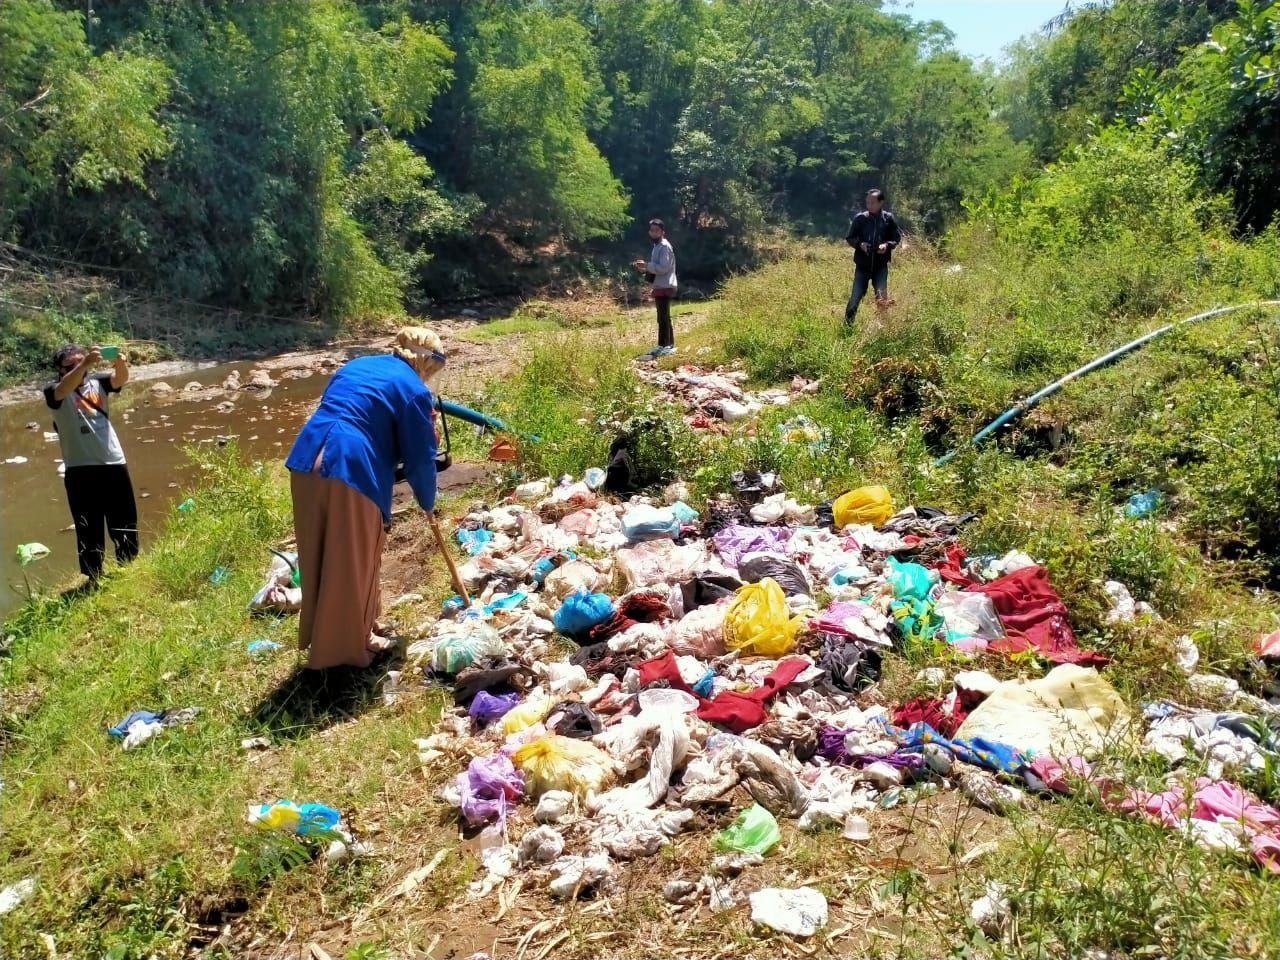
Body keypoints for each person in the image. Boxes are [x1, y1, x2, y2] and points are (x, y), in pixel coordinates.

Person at [285, 327, 445, 670]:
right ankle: (343, 657)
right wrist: (428, 501)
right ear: (424, 361)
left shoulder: (356, 366)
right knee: (351, 560)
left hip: (306, 456)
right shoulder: (414, 389)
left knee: (319, 554)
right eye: (433, 369)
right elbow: (420, 458)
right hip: (350, 464)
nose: (430, 377)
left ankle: (361, 629)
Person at [43, 344, 139, 582]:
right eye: (71, 364)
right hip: (79, 468)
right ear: (59, 369)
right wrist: (85, 363)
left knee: (124, 518)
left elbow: (119, 381)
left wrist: (120, 363)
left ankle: (128, 567)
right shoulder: (54, 391)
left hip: (113, 461)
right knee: (88, 524)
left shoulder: (98, 383)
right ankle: (93, 576)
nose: (79, 367)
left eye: (81, 361)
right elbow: (63, 388)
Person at [844, 188, 901, 325]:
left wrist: (886, 245)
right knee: (855, 297)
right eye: (867, 202)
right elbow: (850, 237)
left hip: (880, 267)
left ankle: (882, 327)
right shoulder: (860, 218)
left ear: (881, 203)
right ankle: (847, 326)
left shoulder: (888, 219)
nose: (869, 205)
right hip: (862, 266)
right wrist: (860, 244)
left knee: (881, 298)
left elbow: (896, 238)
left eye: (873, 202)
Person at [633, 218, 678, 357]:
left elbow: (663, 268)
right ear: (649, 232)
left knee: (664, 317)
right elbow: (656, 268)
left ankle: (667, 345)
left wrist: (646, 265)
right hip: (660, 285)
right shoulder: (657, 246)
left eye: (657, 231)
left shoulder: (664, 246)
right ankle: (663, 345)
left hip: (665, 285)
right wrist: (645, 267)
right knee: (662, 317)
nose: (654, 233)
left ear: (662, 232)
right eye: (652, 231)